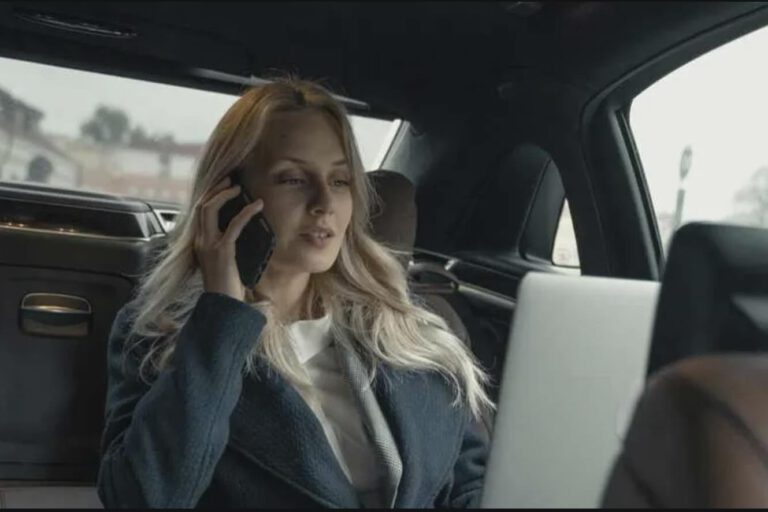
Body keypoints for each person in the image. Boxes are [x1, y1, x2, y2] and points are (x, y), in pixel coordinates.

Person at [97, 77, 493, 509]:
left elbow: (470, 487)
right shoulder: (162, 335)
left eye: (339, 180)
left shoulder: (416, 332)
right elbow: (142, 499)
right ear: (228, 197)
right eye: (293, 179)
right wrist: (222, 315)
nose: (324, 202)